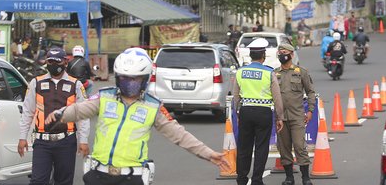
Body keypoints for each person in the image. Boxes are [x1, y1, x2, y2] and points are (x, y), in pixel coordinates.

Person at [44, 48, 229, 185]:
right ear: (117, 77)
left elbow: (179, 135)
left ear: (145, 79)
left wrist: (208, 154)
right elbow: (79, 109)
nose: (129, 84)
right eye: (124, 78)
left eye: (135, 79)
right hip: (99, 174)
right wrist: (60, 114)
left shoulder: (153, 106)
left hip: (132, 177)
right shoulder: (105, 96)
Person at [18, 47, 90, 185]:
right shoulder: (36, 83)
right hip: (42, 142)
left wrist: (84, 140)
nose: (54, 65)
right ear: (46, 62)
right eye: (50, 61)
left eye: (57, 61)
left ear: (65, 62)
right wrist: (22, 137)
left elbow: (82, 115)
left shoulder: (75, 84)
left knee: (64, 181)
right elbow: (27, 111)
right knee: (38, 181)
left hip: (66, 141)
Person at [232, 38, 284, 185]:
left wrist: (238, 112)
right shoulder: (269, 73)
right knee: (261, 147)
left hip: (246, 111)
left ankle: (241, 179)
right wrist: (280, 117)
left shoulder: (241, 72)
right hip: (264, 113)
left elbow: (236, 96)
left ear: (250, 55)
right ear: (264, 55)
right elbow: (277, 97)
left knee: (244, 147)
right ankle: (256, 180)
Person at [274, 43, 316, 185]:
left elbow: (310, 92)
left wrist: (310, 110)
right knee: (284, 148)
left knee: (299, 146)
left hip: (297, 116)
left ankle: (305, 178)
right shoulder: (274, 73)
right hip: (280, 117)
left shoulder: (301, 72)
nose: (281, 55)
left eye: (284, 52)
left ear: (291, 54)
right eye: (279, 53)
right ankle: (289, 178)